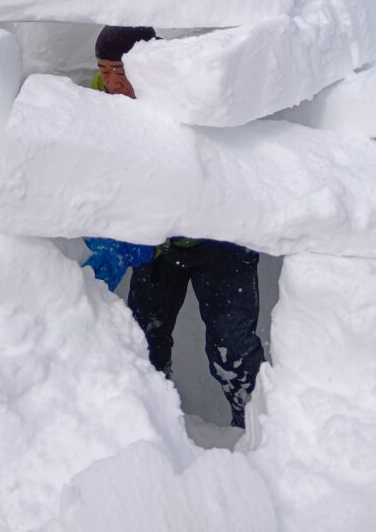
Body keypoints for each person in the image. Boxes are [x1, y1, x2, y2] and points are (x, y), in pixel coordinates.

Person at [85, 24, 264, 429]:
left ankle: (253, 426)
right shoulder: (95, 103)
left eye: (122, 71)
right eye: (104, 69)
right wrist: (109, 238)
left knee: (230, 346)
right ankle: (148, 426)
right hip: (154, 246)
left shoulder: (187, 99)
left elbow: (218, 175)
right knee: (143, 340)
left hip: (221, 242)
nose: (113, 82)